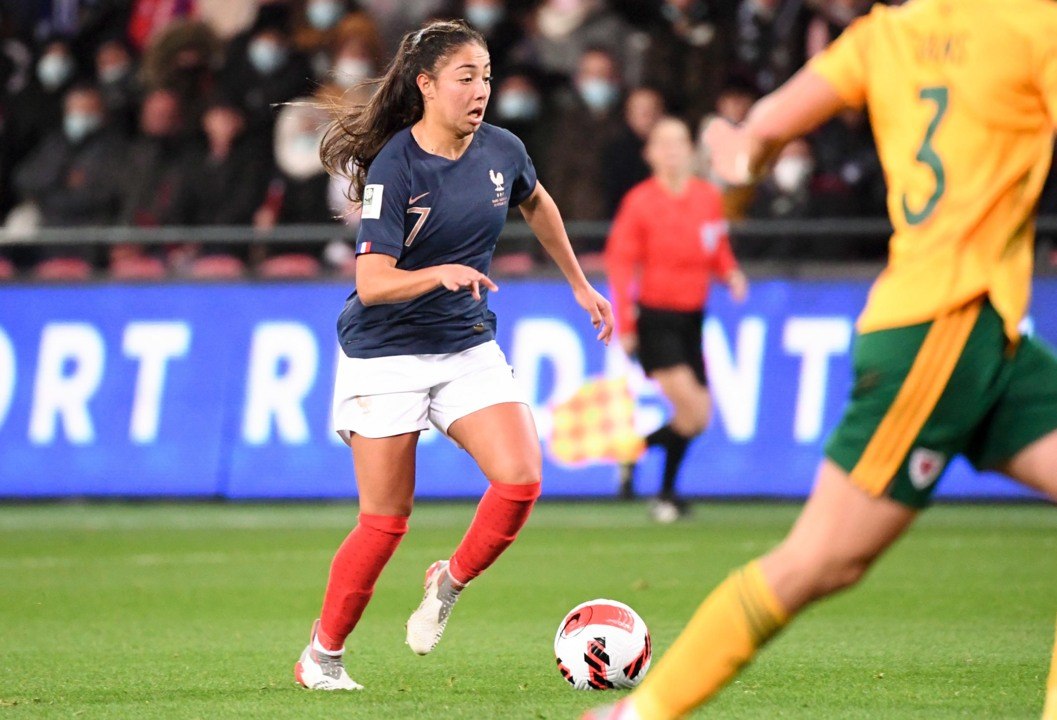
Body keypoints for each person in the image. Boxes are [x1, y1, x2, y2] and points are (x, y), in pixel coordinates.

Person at [585, 1, 1057, 718]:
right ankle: (638, 714)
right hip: (944, 327)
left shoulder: (880, 37)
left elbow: (753, 139)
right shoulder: (1034, 24)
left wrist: (733, 150)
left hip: (969, 328)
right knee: (819, 561)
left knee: (818, 561)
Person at [293, 18, 614, 691]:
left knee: (521, 479)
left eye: (486, 78)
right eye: (466, 78)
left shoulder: (502, 149)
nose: (480, 91)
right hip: (386, 355)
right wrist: (436, 273)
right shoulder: (396, 167)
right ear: (426, 85)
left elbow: (538, 202)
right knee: (384, 523)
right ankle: (321, 655)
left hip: (464, 342)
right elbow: (371, 283)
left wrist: (581, 284)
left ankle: (450, 580)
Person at [605, 117, 746, 522]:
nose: (672, 151)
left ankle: (649, 469)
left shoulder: (706, 198)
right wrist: (627, 326)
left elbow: (716, 247)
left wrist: (731, 273)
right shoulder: (641, 201)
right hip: (656, 318)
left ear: (691, 150)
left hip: (692, 318)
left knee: (697, 417)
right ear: (650, 153)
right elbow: (620, 263)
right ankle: (662, 488)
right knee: (691, 407)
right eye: (663, 143)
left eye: (679, 142)